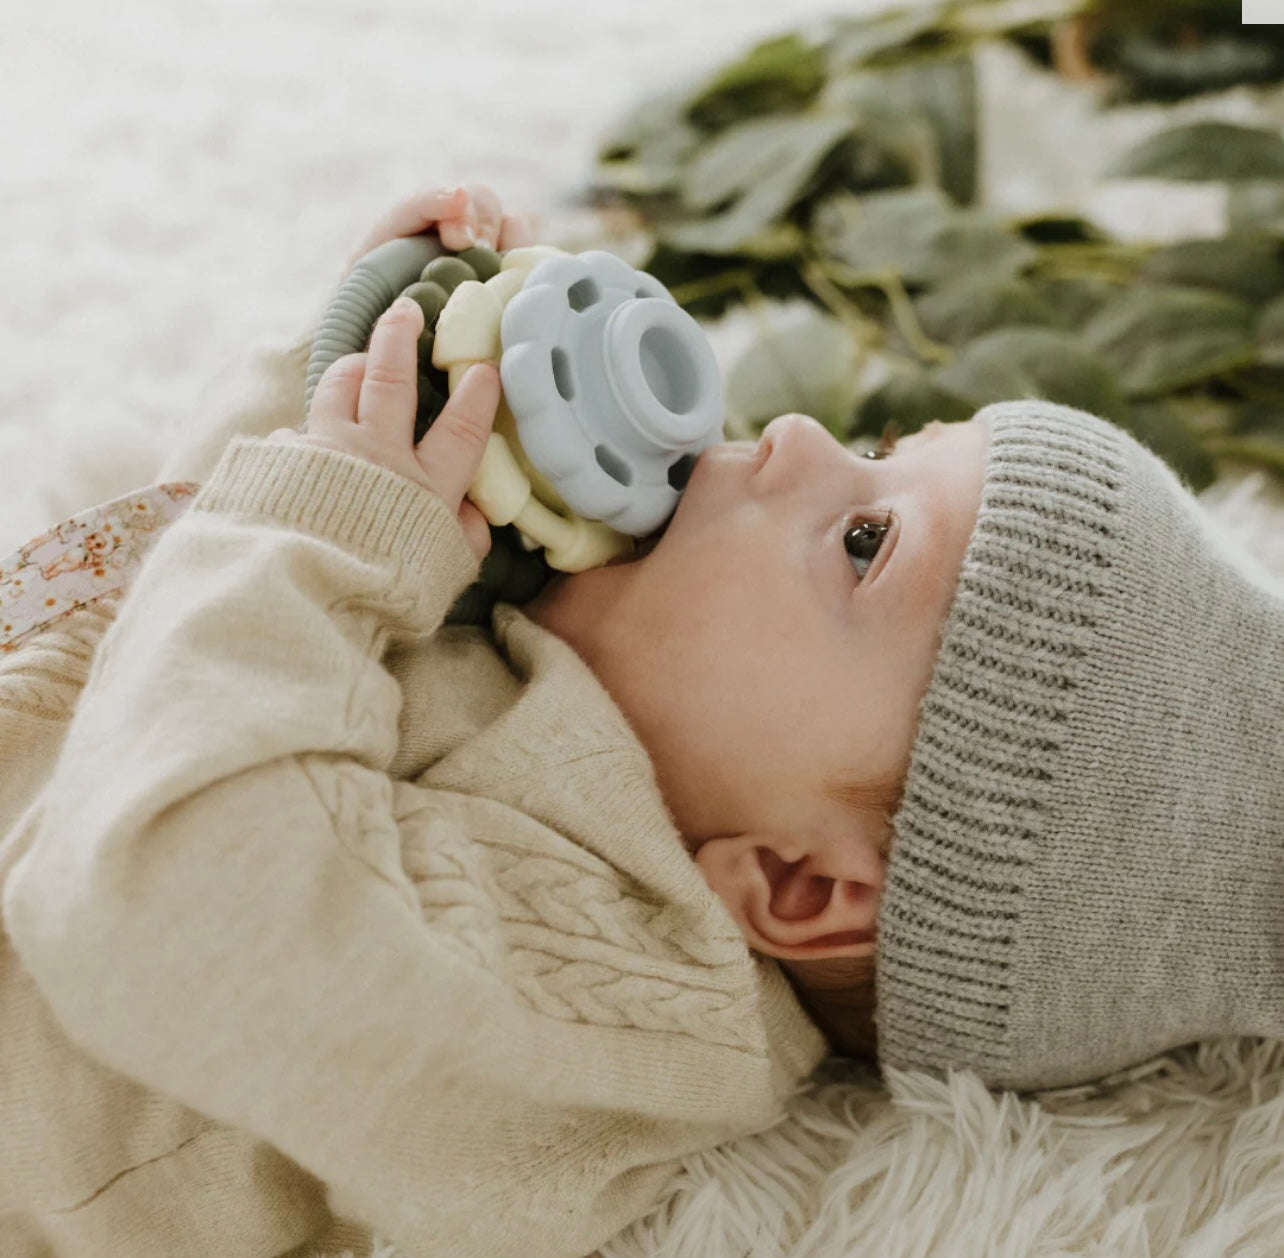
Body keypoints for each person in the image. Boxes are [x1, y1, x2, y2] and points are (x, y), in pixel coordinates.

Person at [1, 181, 1281, 1258]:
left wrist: (321, 528)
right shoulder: (561, 660)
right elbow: (160, 613)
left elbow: (160, 891)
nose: (788, 431)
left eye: (864, 538)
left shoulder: (614, 1003)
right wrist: (360, 380)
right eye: (876, 438)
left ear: (798, 880)